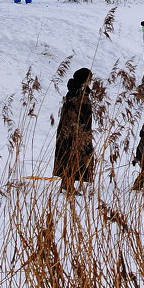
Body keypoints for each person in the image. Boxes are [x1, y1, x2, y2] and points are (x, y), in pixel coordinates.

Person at [53, 67, 95, 195]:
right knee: (73, 157)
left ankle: (68, 183)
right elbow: (76, 115)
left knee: (77, 157)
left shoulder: (78, 92)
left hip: (77, 131)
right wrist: (81, 131)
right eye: (89, 79)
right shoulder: (77, 94)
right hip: (74, 133)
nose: (90, 81)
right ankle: (67, 185)